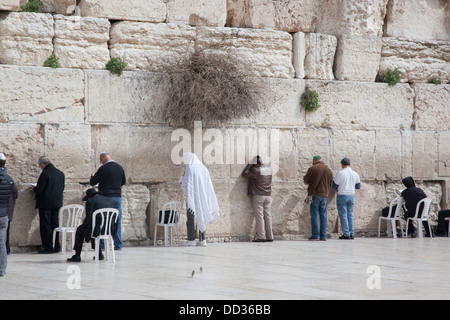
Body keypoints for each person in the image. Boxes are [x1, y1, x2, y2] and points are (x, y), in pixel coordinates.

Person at [179, 153, 219, 247]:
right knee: (203, 215)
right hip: (203, 196)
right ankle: (202, 240)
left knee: (190, 218)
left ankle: (191, 240)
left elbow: (186, 183)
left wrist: (181, 182)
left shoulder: (190, 168)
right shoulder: (204, 168)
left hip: (193, 197)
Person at [67, 188, 117, 262]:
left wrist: (84, 222)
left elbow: (88, 219)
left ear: (89, 197)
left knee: (80, 229)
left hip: (97, 229)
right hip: (109, 229)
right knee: (94, 228)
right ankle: (99, 254)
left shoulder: (90, 202)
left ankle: (77, 255)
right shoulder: (111, 201)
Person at [90, 152, 126, 250]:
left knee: (102, 220)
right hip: (117, 197)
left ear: (102, 158)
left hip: (106, 198)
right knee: (117, 221)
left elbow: (93, 182)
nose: (101, 162)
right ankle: (118, 245)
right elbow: (123, 182)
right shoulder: (119, 167)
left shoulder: (103, 168)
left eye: (100, 160)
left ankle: (101, 245)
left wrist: (92, 178)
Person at [33, 156, 65, 254]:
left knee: (45, 225)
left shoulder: (45, 174)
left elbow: (39, 189)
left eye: (40, 165)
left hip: (45, 203)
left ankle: (48, 247)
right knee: (55, 224)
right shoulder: (60, 173)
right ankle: (56, 246)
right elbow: (62, 187)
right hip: (57, 203)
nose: (40, 167)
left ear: (42, 164)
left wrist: (34, 189)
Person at [242, 156, 273, 242]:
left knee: (259, 216)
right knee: (268, 216)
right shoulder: (269, 169)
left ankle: (261, 236)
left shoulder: (256, 170)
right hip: (268, 195)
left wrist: (249, 165)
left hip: (259, 195)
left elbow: (244, 174)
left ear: (255, 163)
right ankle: (270, 236)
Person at [303, 155, 333, 241]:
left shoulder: (313, 168)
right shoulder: (328, 170)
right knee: (323, 215)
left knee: (315, 214)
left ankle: (315, 235)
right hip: (325, 195)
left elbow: (306, 180)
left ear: (315, 161)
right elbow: (331, 183)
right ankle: (323, 236)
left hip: (315, 194)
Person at [332, 158, 361, 240]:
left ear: (342, 164)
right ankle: (352, 233)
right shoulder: (355, 173)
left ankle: (346, 233)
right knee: (350, 215)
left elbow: (334, 185)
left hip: (342, 195)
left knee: (343, 215)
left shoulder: (341, 173)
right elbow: (358, 186)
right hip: (351, 195)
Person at [0, 153, 15, 276]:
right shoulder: (10, 179)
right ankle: (2, 269)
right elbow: (14, 194)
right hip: (4, 215)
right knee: (2, 244)